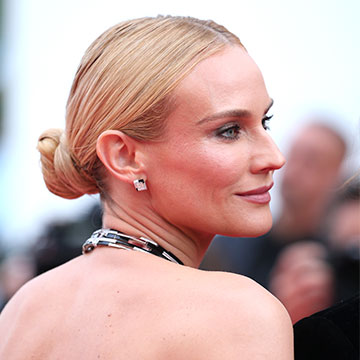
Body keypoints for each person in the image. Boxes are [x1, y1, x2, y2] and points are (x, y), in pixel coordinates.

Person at [0, 16, 293, 359]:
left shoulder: (21, 311)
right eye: (229, 130)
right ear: (124, 156)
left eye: (265, 122)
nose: (274, 157)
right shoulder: (240, 313)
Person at [201, 122, 347, 291]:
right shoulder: (228, 248)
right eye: (293, 155)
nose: (294, 169)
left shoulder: (338, 267)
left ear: (336, 175)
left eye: (310, 161)